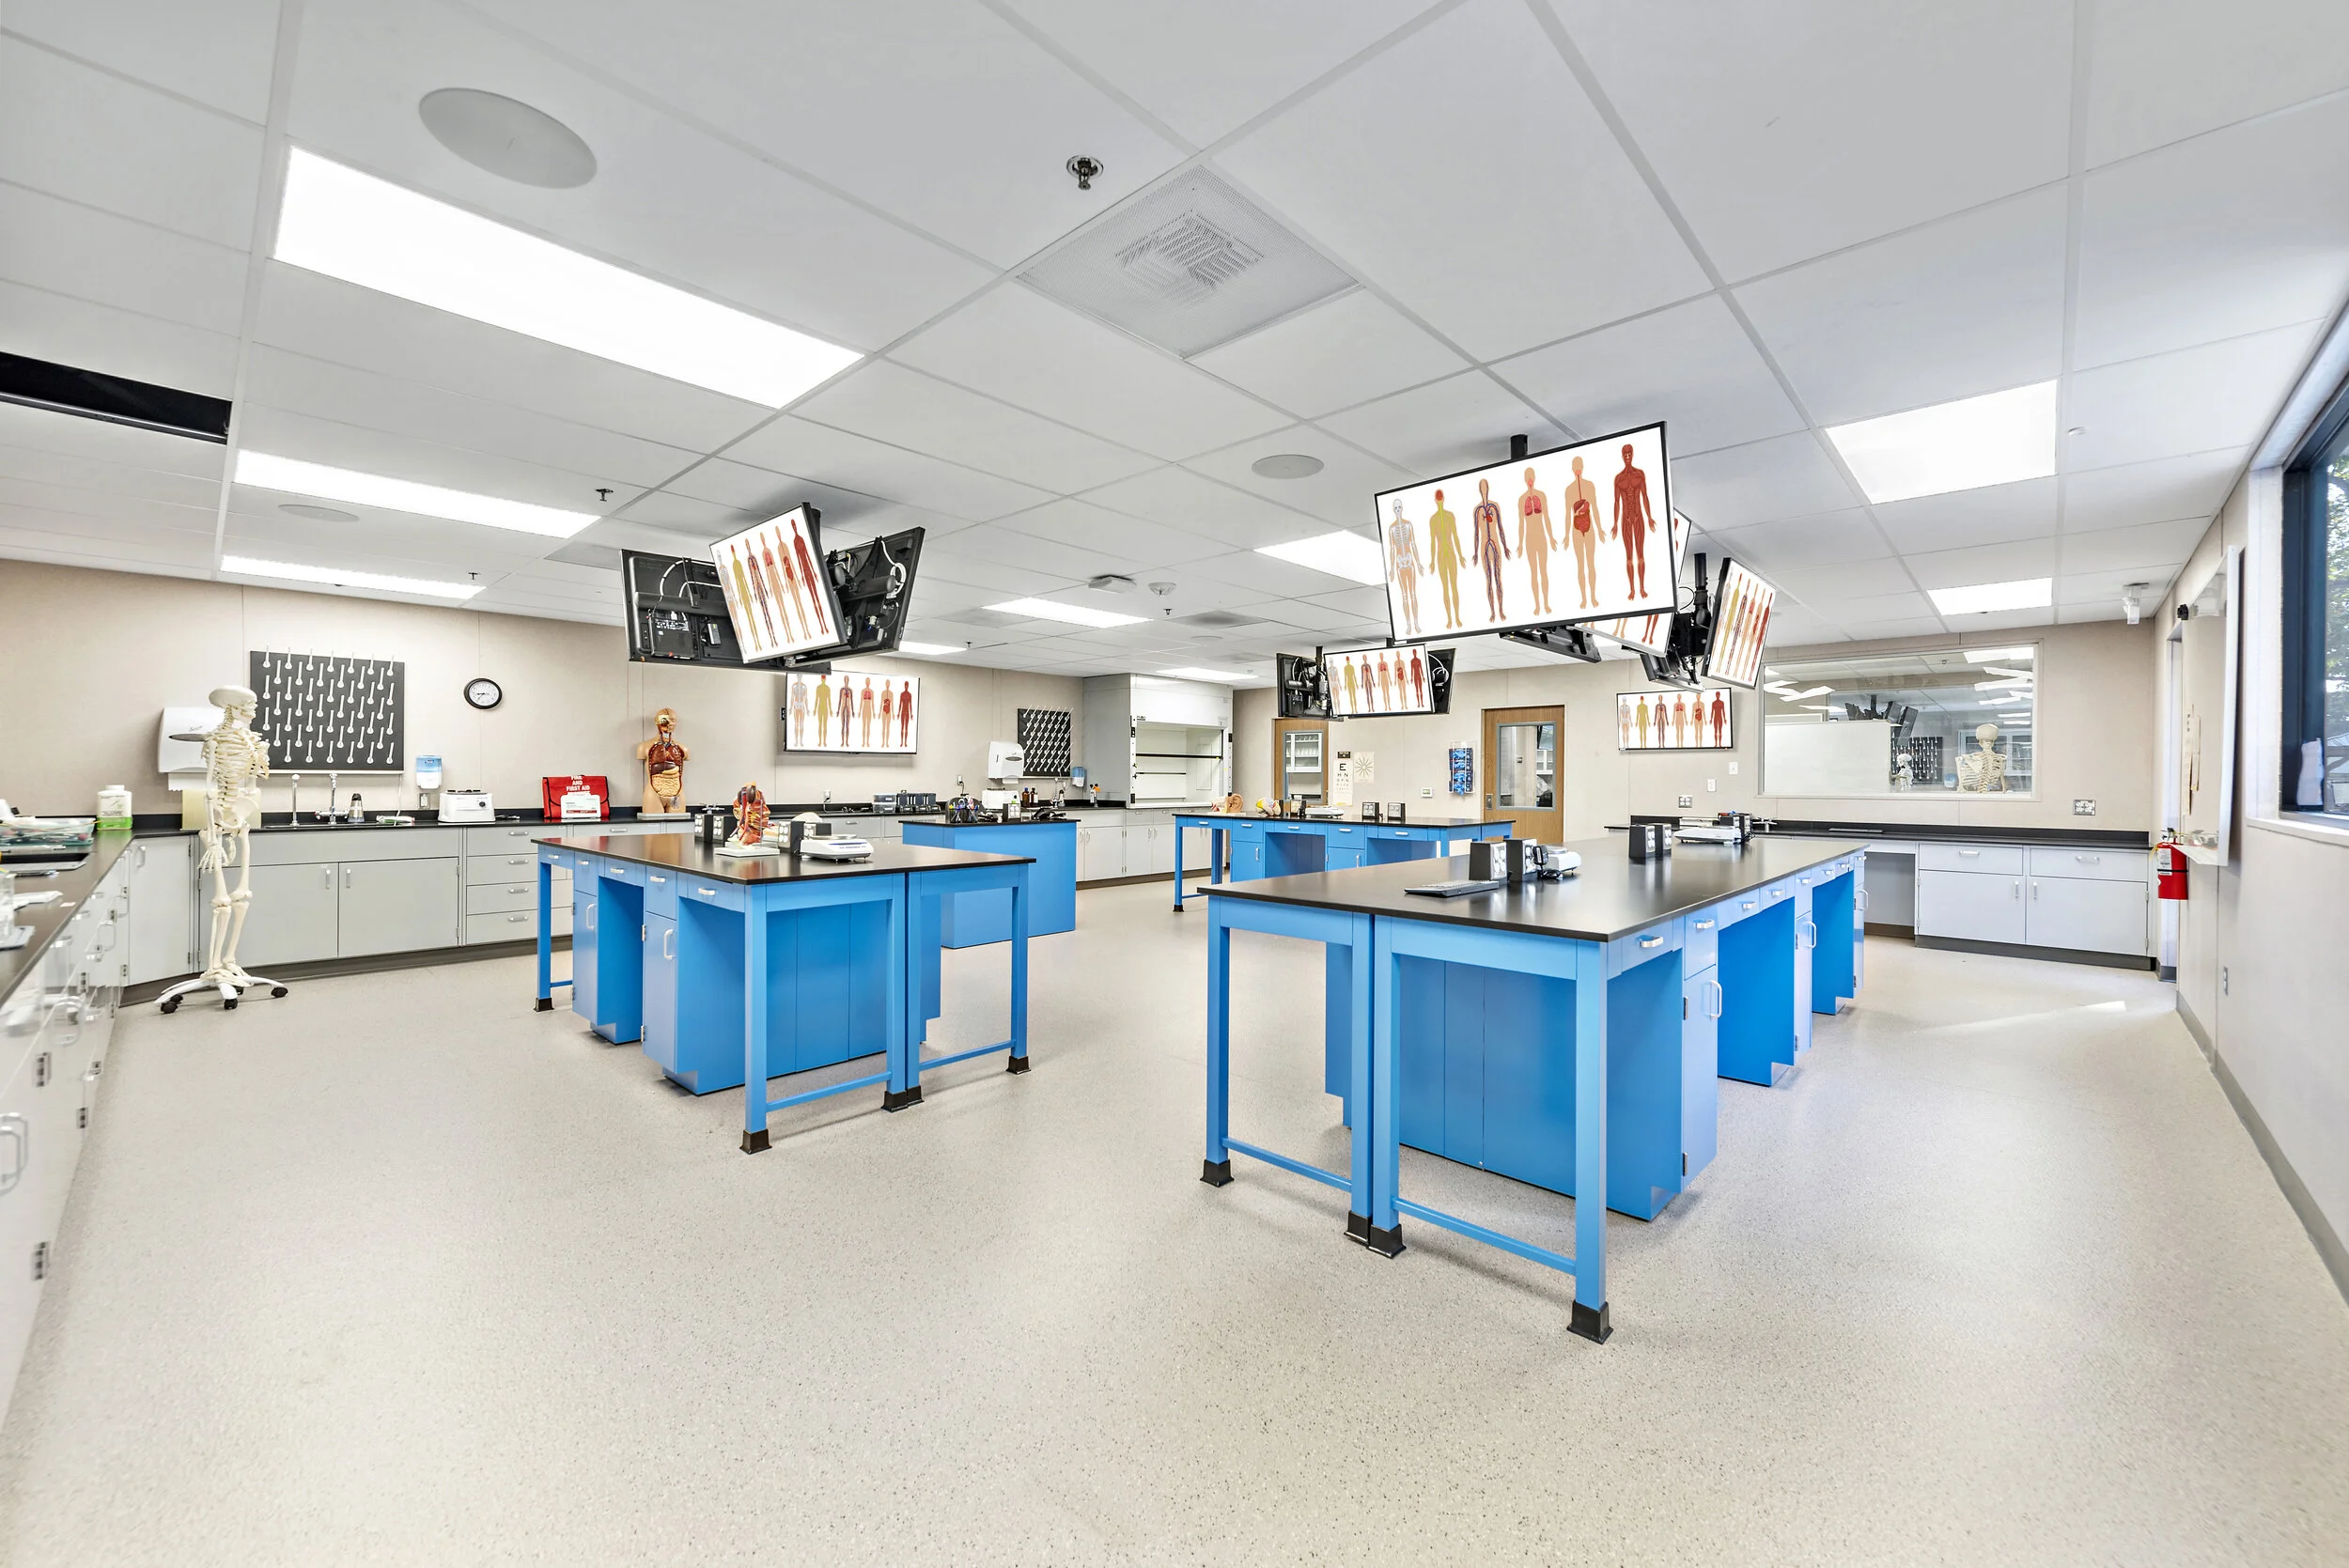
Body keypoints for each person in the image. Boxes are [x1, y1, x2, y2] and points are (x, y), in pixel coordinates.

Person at [1611, 442, 1657, 600]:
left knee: (1640, 554)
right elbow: (1616, 502)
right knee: (1629, 556)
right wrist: (1615, 524)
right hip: (1625, 519)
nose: (1627, 457)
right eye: (1625, 454)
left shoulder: (1639, 474)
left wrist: (1649, 517)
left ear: (1633, 454)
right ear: (1622, 456)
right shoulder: (1619, 479)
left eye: (1629, 454)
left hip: (1638, 517)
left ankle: (1642, 588)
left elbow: (1645, 496)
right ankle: (1632, 590)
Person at [1563, 456, 1600, 610]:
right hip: (1576, 529)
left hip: (1589, 528)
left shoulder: (1589, 486)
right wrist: (1566, 535)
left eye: (1579, 465)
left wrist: (1600, 528)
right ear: (1572, 469)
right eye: (1575, 466)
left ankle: (1593, 596)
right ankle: (1584, 598)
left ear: (1582, 467)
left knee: (1590, 563)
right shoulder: (1569, 490)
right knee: (1580, 565)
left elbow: (1595, 508)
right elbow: (1568, 513)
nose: (1577, 469)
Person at [1517, 467, 1555, 617]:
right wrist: (1520, 543)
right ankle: (1537, 605)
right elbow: (1521, 523)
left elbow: (1547, 517)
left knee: (1543, 571)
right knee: (1534, 572)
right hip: (1529, 539)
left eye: (1531, 476)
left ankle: (1546, 603)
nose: (1529, 479)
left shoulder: (1541, 495)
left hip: (1541, 536)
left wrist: (1551, 537)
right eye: (1527, 476)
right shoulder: (1522, 499)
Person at [1471, 477, 1509, 622]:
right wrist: (1475, 552)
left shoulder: (1494, 506)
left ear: (1488, 489)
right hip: (1483, 545)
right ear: (1479, 490)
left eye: (1485, 488)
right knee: (1489, 580)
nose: (1484, 491)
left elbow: (1500, 527)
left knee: (1498, 579)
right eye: (1482, 488)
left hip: (1495, 542)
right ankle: (1493, 612)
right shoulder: (1477, 510)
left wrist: (1505, 547)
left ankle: (1501, 610)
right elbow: (1476, 532)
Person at [1427, 489, 1465, 629]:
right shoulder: (1433, 519)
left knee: (1454, 586)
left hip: (1451, 553)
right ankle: (1449, 619)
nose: (1439, 500)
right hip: (1441, 555)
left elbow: (1455, 536)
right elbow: (1432, 541)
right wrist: (1432, 561)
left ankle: (1457, 617)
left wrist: (1460, 555)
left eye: (1440, 497)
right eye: (1438, 498)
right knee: (1445, 587)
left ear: (1443, 499)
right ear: (1435, 500)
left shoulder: (1450, 516)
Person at [1388, 500, 1423, 637]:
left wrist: (1418, 563)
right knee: (1404, 595)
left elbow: (1413, 543)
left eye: (1399, 508)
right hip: (1399, 563)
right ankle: (1408, 624)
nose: (1398, 510)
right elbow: (1392, 548)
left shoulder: (1408, 525)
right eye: (1395, 508)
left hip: (1409, 561)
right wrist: (1392, 568)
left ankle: (1416, 623)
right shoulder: (1392, 528)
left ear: (1402, 509)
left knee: (1413, 594)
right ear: (1394, 510)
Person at [787, 676, 809, 748]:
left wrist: (807, 708)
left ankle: (801, 741)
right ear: (797, 677)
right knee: (796, 724)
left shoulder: (804, 686)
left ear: (801, 677)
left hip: (802, 705)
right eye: (798, 676)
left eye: (800, 676)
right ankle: (796, 741)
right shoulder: (794, 686)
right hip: (796, 705)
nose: (799, 677)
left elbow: (805, 698)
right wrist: (790, 708)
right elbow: (792, 697)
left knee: (801, 724)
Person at [814, 674, 832, 747]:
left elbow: (829, 700)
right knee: (820, 724)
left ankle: (824, 741)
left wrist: (830, 710)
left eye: (824, 678)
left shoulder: (828, 688)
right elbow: (817, 699)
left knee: (824, 725)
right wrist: (815, 709)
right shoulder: (818, 688)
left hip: (825, 707)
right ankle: (820, 741)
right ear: (821, 679)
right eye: (823, 678)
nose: (823, 679)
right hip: (820, 707)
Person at [896, 681, 914, 746]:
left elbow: (910, 704)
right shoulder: (902, 694)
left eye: (907, 685)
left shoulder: (909, 695)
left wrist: (911, 714)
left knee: (906, 727)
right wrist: (898, 713)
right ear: (904, 686)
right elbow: (900, 704)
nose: (906, 686)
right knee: (902, 727)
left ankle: (905, 742)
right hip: (903, 712)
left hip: (907, 712)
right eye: (905, 685)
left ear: (908, 686)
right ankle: (901, 742)